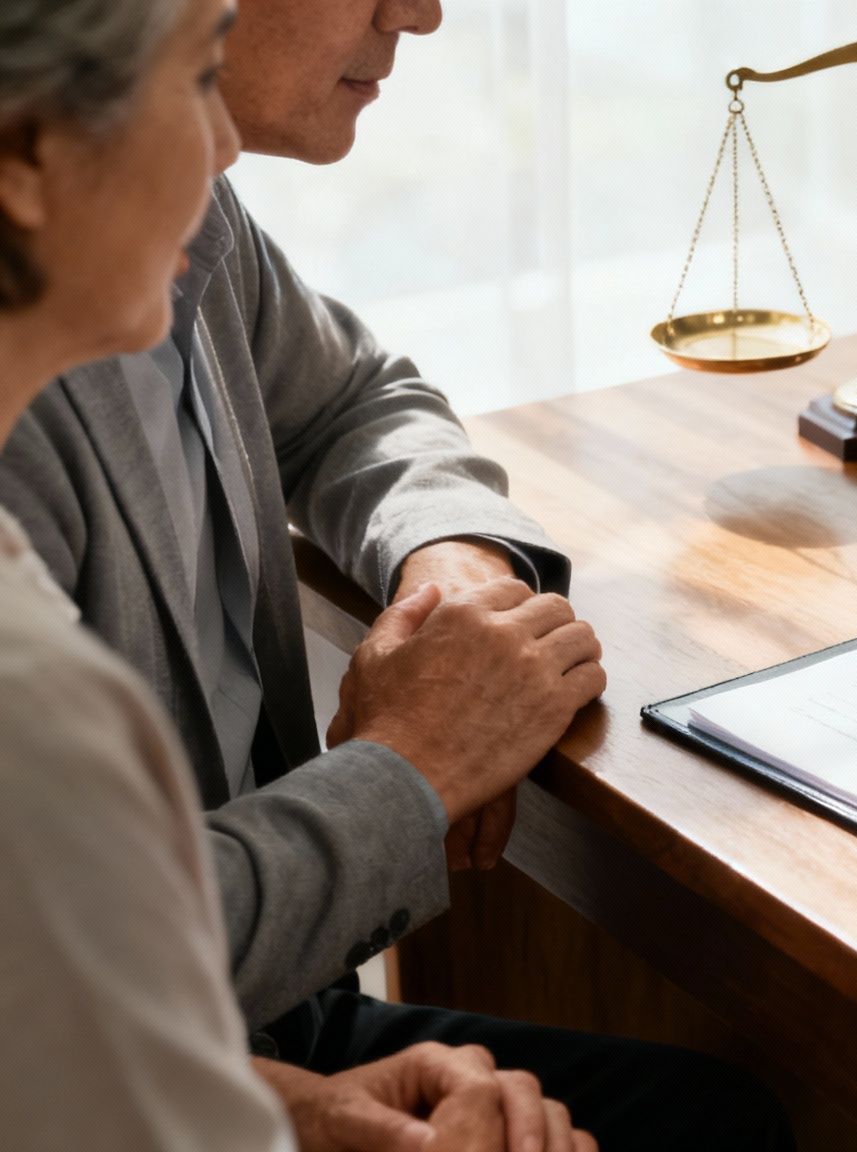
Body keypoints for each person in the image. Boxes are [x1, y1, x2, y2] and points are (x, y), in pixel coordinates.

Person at [0, 0, 788, 1147]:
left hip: (224, 1037)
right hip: (180, 1023)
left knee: (712, 1113)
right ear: (31, 151)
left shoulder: (178, 226)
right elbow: (96, 977)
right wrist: (413, 761)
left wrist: (448, 580)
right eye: (193, 68)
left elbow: (356, 397)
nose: (421, 12)